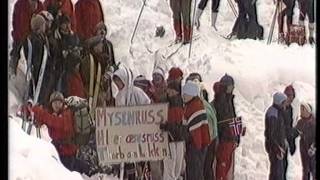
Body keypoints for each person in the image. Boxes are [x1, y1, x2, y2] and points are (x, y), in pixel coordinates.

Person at [161, 81, 210, 180]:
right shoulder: (193, 105)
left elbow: (188, 131)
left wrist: (170, 127)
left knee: (194, 173)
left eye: (186, 94)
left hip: (195, 147)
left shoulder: (194, 108)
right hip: (197, 146)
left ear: (192, 94)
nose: (183, 96)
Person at [31, 91, 90, 174]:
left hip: (67, 151)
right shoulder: (53, 114)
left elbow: (58, 123)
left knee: (66, 170)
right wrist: (33, 112)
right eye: (54, 102)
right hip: (58, 149)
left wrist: (42, 114)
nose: (57, 105)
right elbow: (44, 120)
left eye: (59, 102)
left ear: (63, 103)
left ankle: (88, 169)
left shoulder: (67, 113)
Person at [112, 66, 151, 179]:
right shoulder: (118, 96)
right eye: (116, 82)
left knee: (140, 157)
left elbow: (148, 107)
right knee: (128, 158)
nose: (118, 85)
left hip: (140, 131)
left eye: (119, 81)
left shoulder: (136, 92)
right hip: (126, 133)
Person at [212, 74, 239, 180]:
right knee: (222, 165)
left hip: (229, 138)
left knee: (226, 165)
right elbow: (226, 120)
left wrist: (237, 135)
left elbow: (233, 117)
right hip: (224, 138)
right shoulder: (222, 100)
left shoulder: (229, 99)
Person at [22, 14, 51, 106]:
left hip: (43, 68)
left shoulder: (42, 37)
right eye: (43, 25)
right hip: (38, 69)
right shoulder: (34, 39)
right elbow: (35, 56)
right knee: (37, 87)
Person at [9, 0, 44, 76]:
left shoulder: (40, 6)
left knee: (35, 57)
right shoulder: (20, 4)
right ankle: (11, 70)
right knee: (16, 50)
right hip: (20, 34)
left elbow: (42, 22)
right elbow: (16, 22)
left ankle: (34, 75)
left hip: (34, 37)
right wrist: (23, 35)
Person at [162, 67, 185, 180]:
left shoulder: (180, 99)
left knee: (177, 164)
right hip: (170, 137)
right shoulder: (166, 99)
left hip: (179, 135)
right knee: (170, 164)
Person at [264, 92, 288, 180]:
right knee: (277, 173)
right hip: (275, 148)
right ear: (280, 102)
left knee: (278, 171)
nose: (286, 104)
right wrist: (277, 147)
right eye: (284, 102)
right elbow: (271, 133)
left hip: (279, 147)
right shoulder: (273, 113)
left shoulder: (279, 111)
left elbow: (280, 129)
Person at [291, 102, 316, 180]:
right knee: (305, 170)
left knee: (314, 169)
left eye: (303, 109)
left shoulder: (314, 122)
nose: (301, 111)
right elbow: (295, 132)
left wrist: (313, 147)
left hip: (313, 149)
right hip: (304, 148)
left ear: (308, 111)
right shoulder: (300, 122)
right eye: (301, 109)